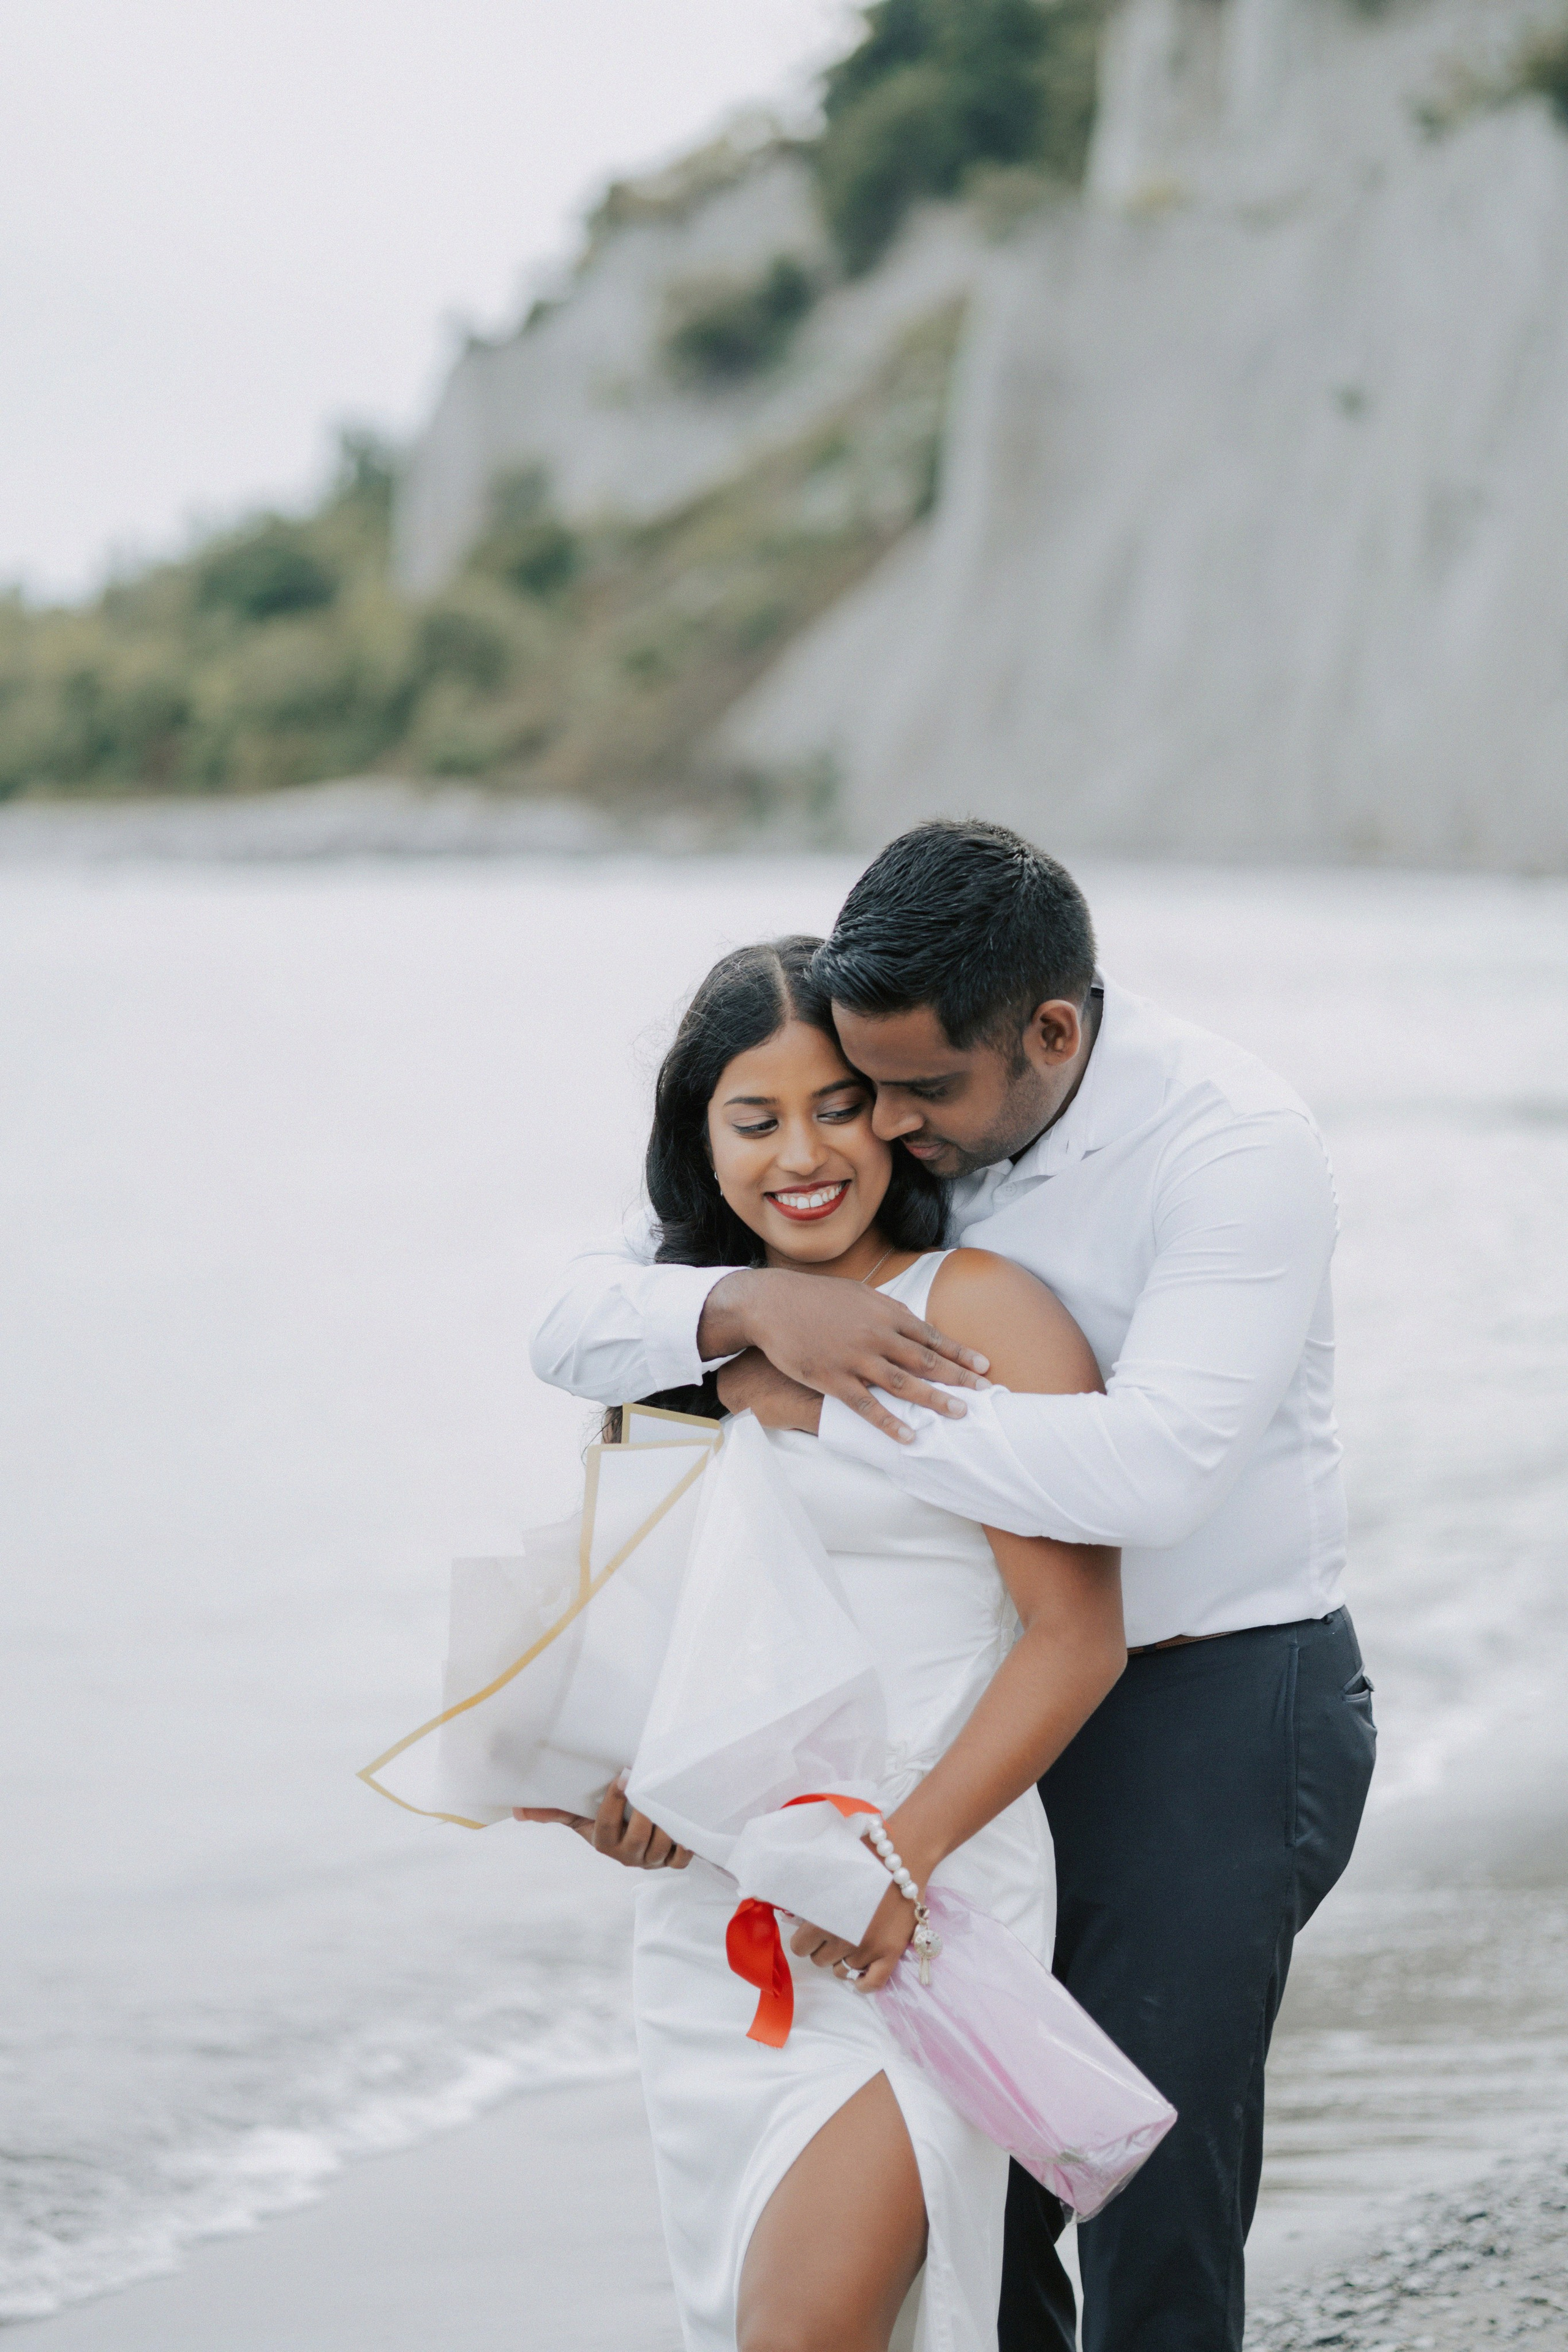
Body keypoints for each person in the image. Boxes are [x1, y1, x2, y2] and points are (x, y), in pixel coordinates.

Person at [530, 822, 1378, 2352]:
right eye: (859, 1086)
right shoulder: (877, 1174)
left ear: (1047, 1035)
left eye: (910, 1092)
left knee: (1144, 2174)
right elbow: (576, 1324)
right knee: (987, 2224)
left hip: (1207, 1696)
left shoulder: (1228, 1143)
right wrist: (750, 1306)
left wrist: (817, 1397)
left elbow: (1153, 1475)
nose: (883, 1130)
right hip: (939, 1750)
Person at [520, 934, 1125, 2352]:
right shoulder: (674, 1344)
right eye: (755, 1119)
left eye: (837, 1107)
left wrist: (894, 1863)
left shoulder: (978, 1308)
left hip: (924, 1902)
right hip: (717, 1927)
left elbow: (1073, 1637)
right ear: (700, 1140)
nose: (802, 1154)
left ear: (894, 1116)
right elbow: (653, 1625)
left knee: (806, 2330)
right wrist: (621, 1793)